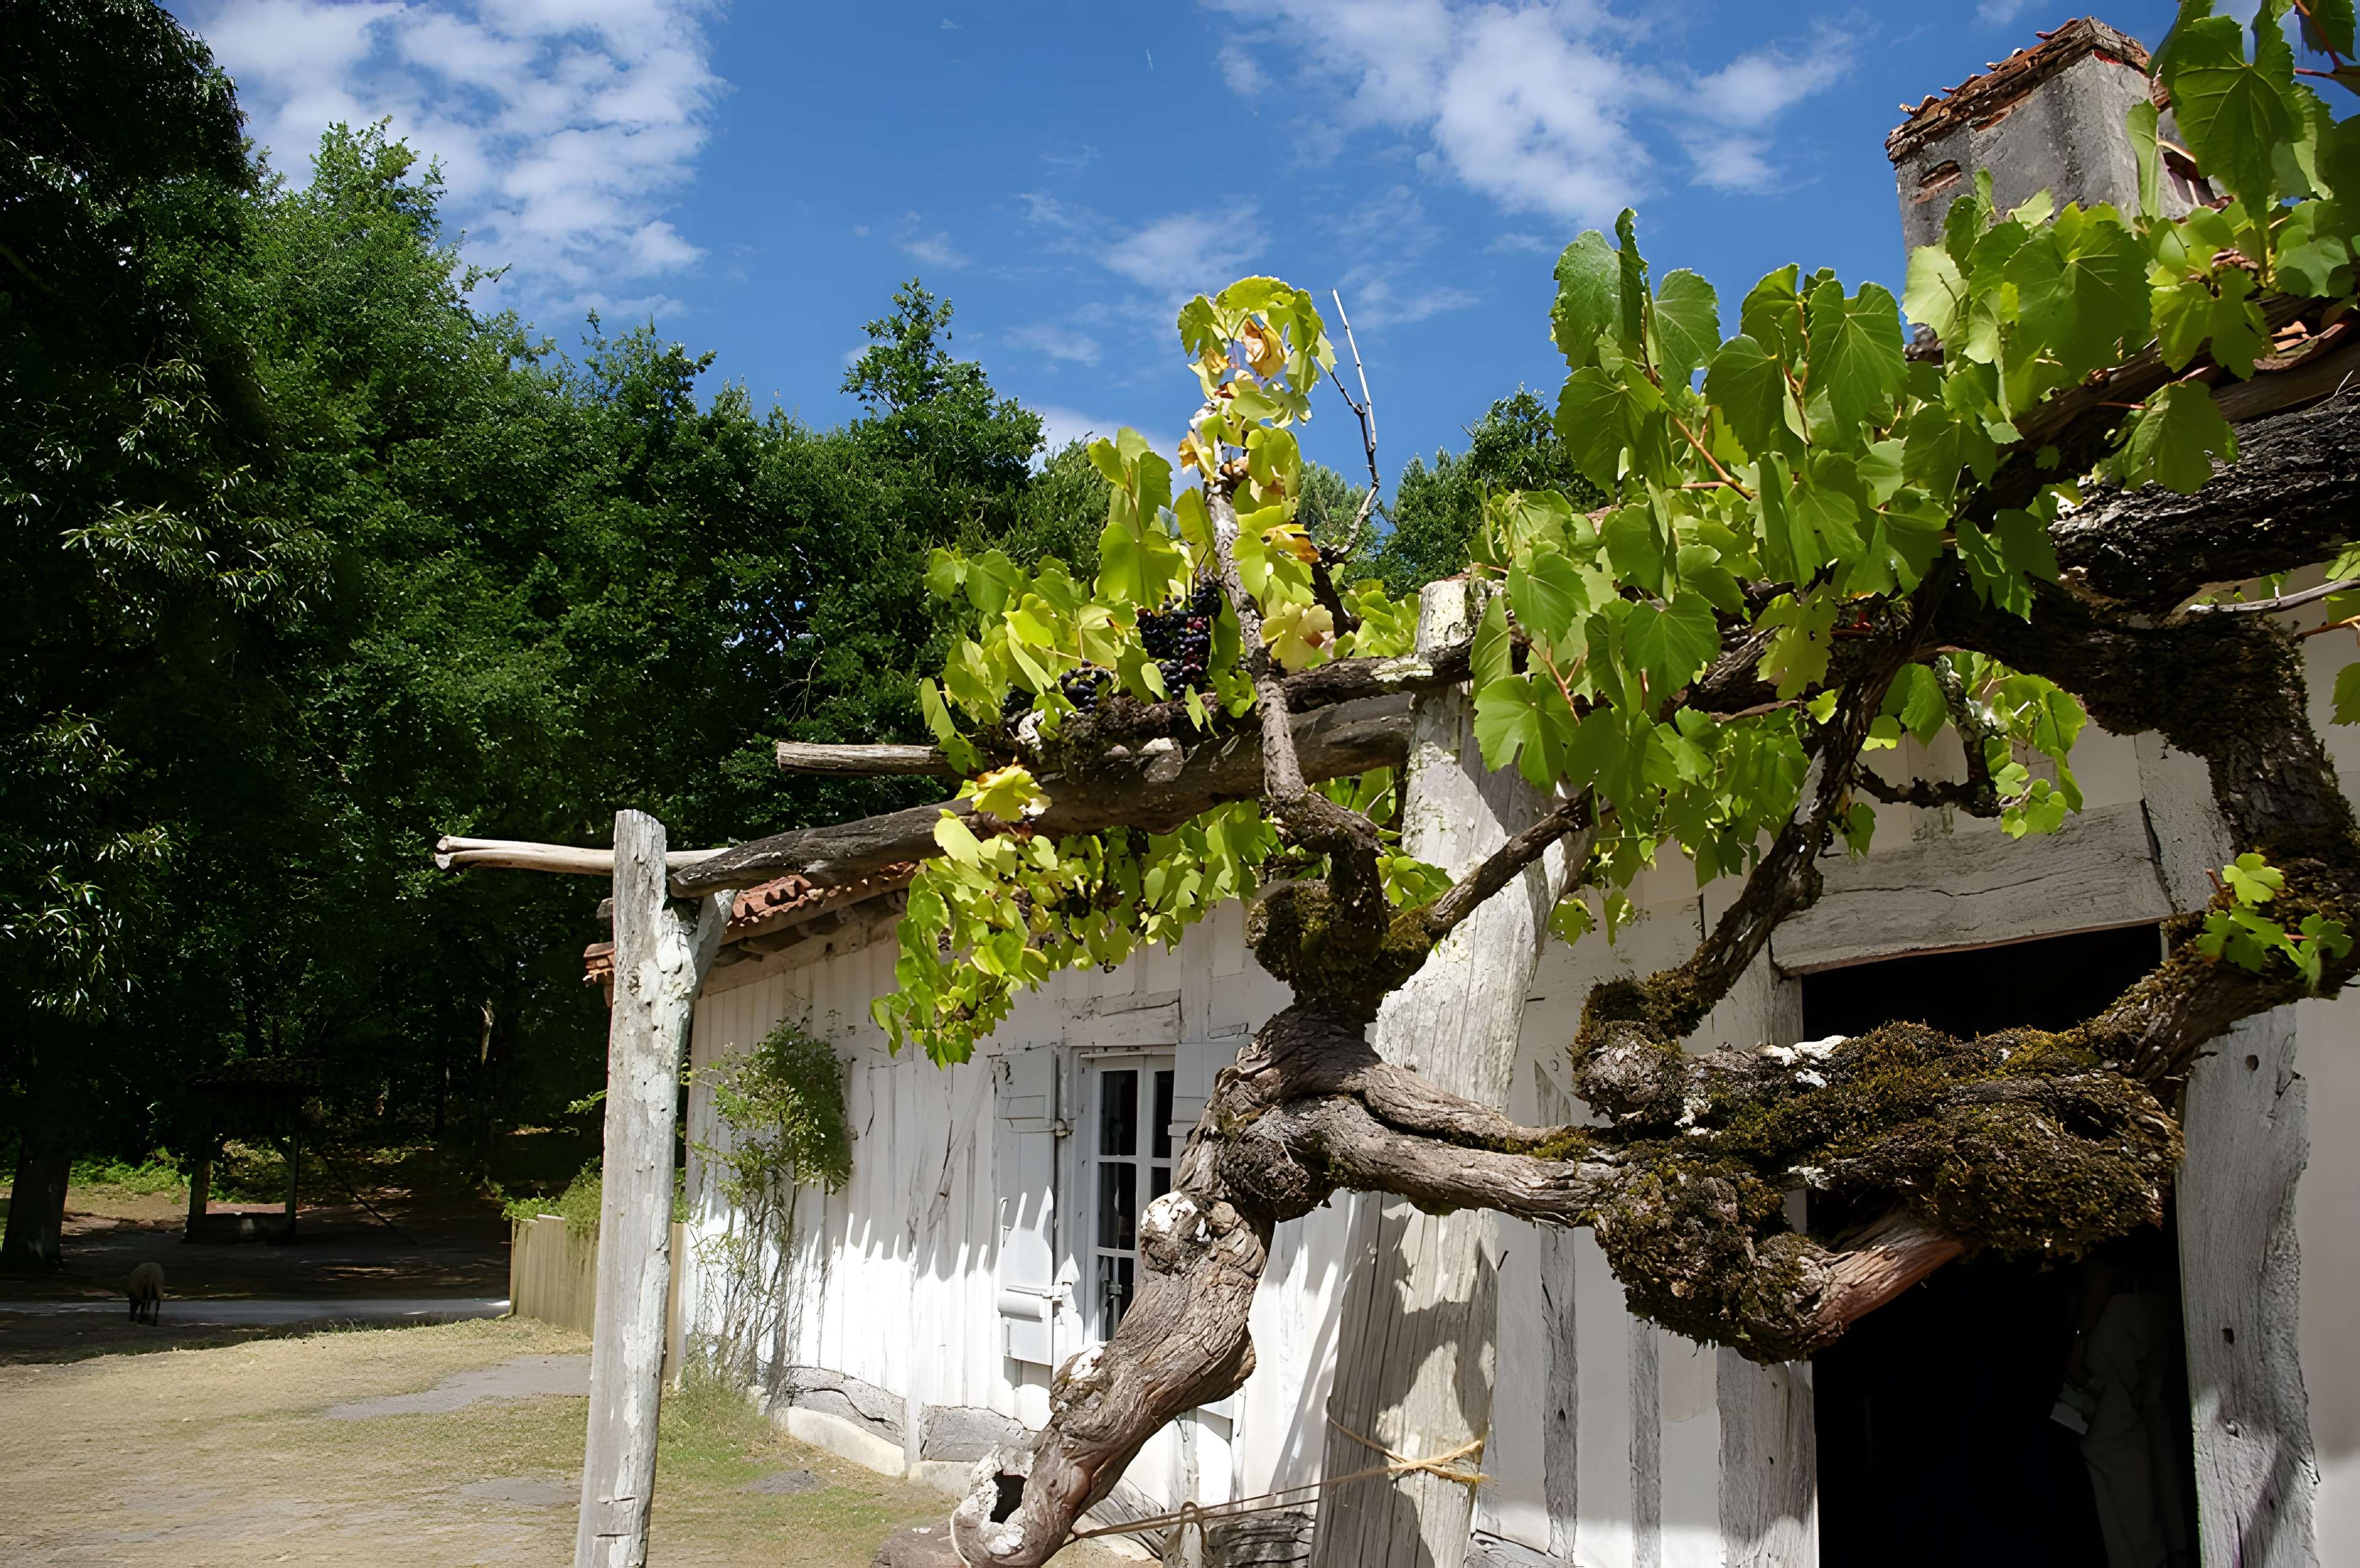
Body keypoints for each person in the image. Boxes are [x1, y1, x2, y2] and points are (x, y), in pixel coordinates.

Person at [2067, 1225, 2193, 1568]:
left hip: (2118, 1308)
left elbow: (2105, 1263)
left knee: (2108, 1440)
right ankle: (2178, 1548)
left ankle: (2144, 1559)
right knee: (2154, 1427)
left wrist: (2081, 1337)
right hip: (2159, 1300)